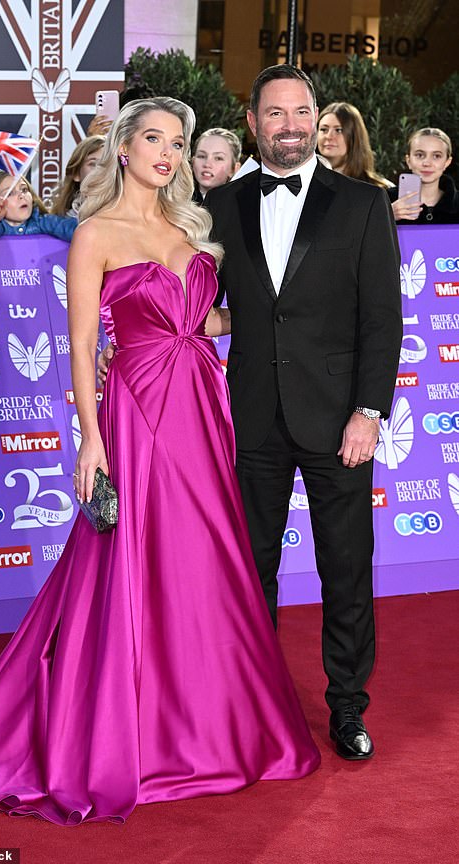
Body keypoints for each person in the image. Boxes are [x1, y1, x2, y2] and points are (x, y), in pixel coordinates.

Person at [0, 96, 319, 825]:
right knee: (132, 563)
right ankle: (131, 734)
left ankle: (208, 727)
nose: (168, 152)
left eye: (178, 141)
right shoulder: (94, 233)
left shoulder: (194, 228)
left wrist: (268, 309)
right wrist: (90, 440)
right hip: (136, 415)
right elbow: (83, 346)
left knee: (203, 565)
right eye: (154, 138)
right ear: (122, 149)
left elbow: (209, 320)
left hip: (201, 410)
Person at [205, 66, 402, 761]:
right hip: (255, 417)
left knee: (345, 569)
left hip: (338, 420)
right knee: (249, 571)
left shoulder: (360, 202)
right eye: (276, 113)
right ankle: (251, 706)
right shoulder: (221, 204)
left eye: (301, 112)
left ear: (316, 119)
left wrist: (368, 411)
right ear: (253, 121)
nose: (290, 125)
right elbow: (216, 305)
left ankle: (347, 708)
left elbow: (382, 319)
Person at [0, 170, 77, 242]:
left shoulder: (43, 222)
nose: (21, 195)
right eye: (10, 193)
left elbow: (76, 231)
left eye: (24, 189)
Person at [389, 127, 459, 224]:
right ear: (408, 160)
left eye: (436, 156)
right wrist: (386, 216)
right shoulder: (385, 200)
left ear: (447, 162)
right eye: (420, 155)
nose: (427, 163)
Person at [317, 102, 392, 188]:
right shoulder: (303, 181)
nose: (329, 136)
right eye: (323, 129)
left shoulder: (380, 189)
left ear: (354, 136)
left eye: (338, 130)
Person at [48, 135, 105, 216]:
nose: (100, 171)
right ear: (76, 174)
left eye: (107, 164)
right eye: (93, 164)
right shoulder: (58, 223)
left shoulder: (127, 216)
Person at [191, 127, 242, 202]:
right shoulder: (175, 201)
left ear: (234, 168)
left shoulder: (243, 206)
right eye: (201, 156)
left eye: (218, 158)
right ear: (193, 161)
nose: (207, 164)